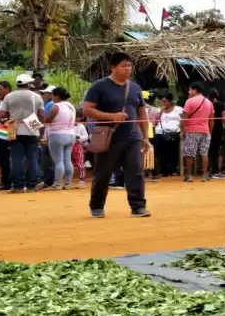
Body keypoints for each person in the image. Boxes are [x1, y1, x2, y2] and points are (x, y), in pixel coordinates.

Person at [82, 52, 151, 218]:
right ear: (113, 67)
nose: (127, 69)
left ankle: (138, 207)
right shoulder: (98, 86)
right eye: (123, 66)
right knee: (103, 173)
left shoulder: (135, 88)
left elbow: (142, 113)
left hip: (133, 137)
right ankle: (97, 206)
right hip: (108, 137)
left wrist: (145, 137)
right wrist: (111, 116)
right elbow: (87, 109)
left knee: (136, 172)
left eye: (129, 66)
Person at [0, 74, 45, 193]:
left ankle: (18, 186)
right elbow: (41, 115)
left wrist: (13, 115)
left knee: (16, 159)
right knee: (32, 159)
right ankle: (31, 186)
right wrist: (41, 131)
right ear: (28, 84)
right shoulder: (36, 96)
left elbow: (1, 115)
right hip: (32, 127)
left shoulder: (9, 96)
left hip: (14, 127)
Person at [180, 82, 215, 182]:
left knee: (189, 153)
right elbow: (211, 120)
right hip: (205, 130)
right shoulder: (209, 102)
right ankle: (204, 175)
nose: (189, 92)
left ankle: (189, 176)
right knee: (204, 153)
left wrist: (182, 130)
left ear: (195, 90)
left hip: (192, 130)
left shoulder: (189, 101)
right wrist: (210, 132)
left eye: (190, 90)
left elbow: (184, 118)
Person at [44, 87, 77, 189]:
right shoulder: (71, 106)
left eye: (53, 95)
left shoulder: (56, 107)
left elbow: (48, 120)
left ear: (57, 96)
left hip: (57, 135)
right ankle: (68, 183)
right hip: (71, 134)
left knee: (58, 161)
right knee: (67, 160)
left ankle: (57, 183)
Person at [155, 95, 183, 177]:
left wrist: (182, 130)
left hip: (174, 132)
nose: (163, 103)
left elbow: (183, 120)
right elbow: (156, 121)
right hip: (160, 133)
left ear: (170, 102)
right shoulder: (159, 110)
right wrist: (160, 111)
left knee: (173, 151)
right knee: (162, 152)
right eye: (162, 101)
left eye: (165, 101)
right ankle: (164, 171)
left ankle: (173, 170)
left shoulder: (178, 109)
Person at [0, 81, 13, 190]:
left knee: (15, 157)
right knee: (3, 157)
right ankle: (6, 182)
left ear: (8, 89)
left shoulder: (13, 100)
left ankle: (15, 181)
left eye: (0, 89)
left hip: (12, 130)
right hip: (1, 131)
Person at [207, 88, 225, 178]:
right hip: (218, 128)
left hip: (208, 127)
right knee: (216, 149)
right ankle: (215, 170)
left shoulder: (207, 104)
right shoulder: (221, 105)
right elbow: (224, 118)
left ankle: (209, 170)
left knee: (209, 149)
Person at [72, 107, 89, 188]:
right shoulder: (67, 125)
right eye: (75, 116)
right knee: (68, 163)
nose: (76, 118)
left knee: (80, 163)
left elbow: (86, 136)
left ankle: (81, 180)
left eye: (78, 117)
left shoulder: (81, 126)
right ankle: (68, 180)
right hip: (68, 146)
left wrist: (79, 138)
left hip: (77, 146)